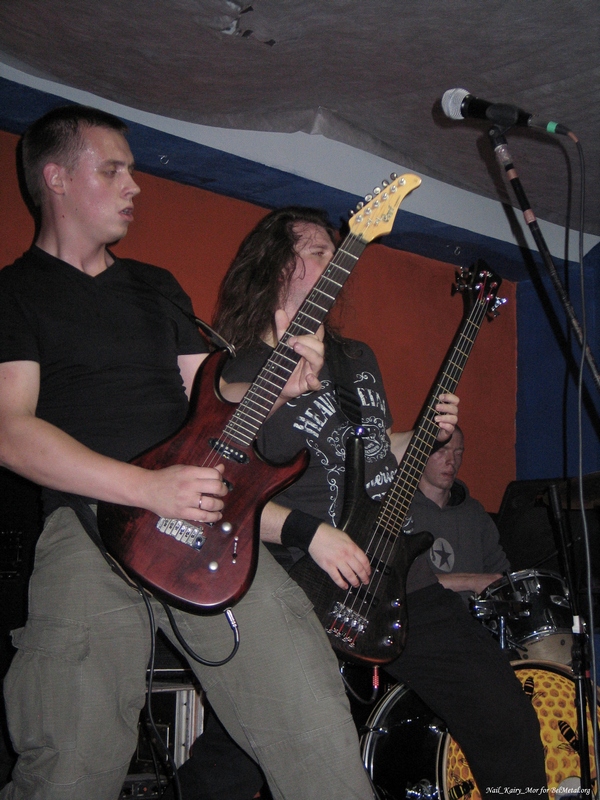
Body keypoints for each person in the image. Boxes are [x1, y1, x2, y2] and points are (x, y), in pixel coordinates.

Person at [0, 106, 378, 800]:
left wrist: (277, 384)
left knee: (312, 724)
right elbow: (11, 432)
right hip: (88, 525)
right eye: (113, 170)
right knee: (72, 765)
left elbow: (212, 397)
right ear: (55, 178)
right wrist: (145, 488)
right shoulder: (14, 294)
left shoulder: (157, 286)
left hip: (205, 523)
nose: (134, 185)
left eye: (133, 171)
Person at [172, 206, 548, 799]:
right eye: (318, 250)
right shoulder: (235, 370)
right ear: (277, 266)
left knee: (504, 715)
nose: (335, 261)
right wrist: (312, 535)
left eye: (335, 249)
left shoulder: (357, 359)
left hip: (399, 574)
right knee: (240, 754)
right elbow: (220, 495)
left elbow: (371, 448)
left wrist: (426, 436)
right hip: (303, 582)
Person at [407, 425, 510, 602]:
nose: (451, 461)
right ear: (420, 453)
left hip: (471, 615)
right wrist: (470, 582)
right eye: (442, 451)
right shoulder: (399, 509)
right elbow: (400, 582)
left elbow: (500, 573)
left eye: (458, 453)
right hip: (421, 613)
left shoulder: (474, 513)